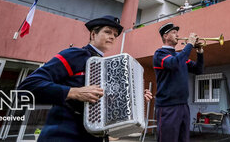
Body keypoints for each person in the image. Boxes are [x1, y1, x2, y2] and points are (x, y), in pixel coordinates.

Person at [18, 15, 153, 142]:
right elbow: (27, 87)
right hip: (63, 134)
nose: (112, 37)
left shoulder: (108, 66)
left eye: (115, 35)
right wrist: (74, 92)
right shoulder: (74, 55)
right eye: (107, 32)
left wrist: (137, 97)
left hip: (93, 136)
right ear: (93, 34)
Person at [153, 23, 203, 142]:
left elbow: (198, 70)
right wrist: (190, 44)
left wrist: (200, 53)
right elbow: (174, 63)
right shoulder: (159, 54)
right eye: (174, 32)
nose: (178, 35)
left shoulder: (180, 56)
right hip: (167, 107)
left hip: (183, 106)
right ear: (165, 36)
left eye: (177, 32)